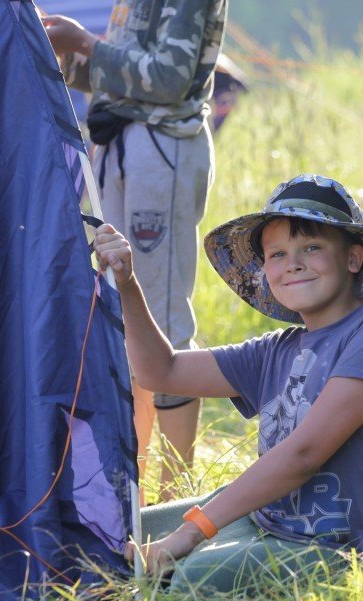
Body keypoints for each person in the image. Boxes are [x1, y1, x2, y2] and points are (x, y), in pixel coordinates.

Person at [94, 174, 363, 589]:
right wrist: (126, 284)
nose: (294, 263)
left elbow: (304, 455)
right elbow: (161, 372)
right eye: (277, 254)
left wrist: (188, 533)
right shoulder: (278, 348)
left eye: (312, 247)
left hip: (350, 550)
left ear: (353, 259)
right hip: (270, 523)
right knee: (106, 533)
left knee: (189, 581)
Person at [42, 1, 227, 499]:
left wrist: (83, 41)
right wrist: (58, 48)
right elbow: (118, 77)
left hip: (160, 147)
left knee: (160, 313)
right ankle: (135, 476)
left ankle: (177, 491)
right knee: (123, 313)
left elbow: (167, 79)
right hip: (119, 143)